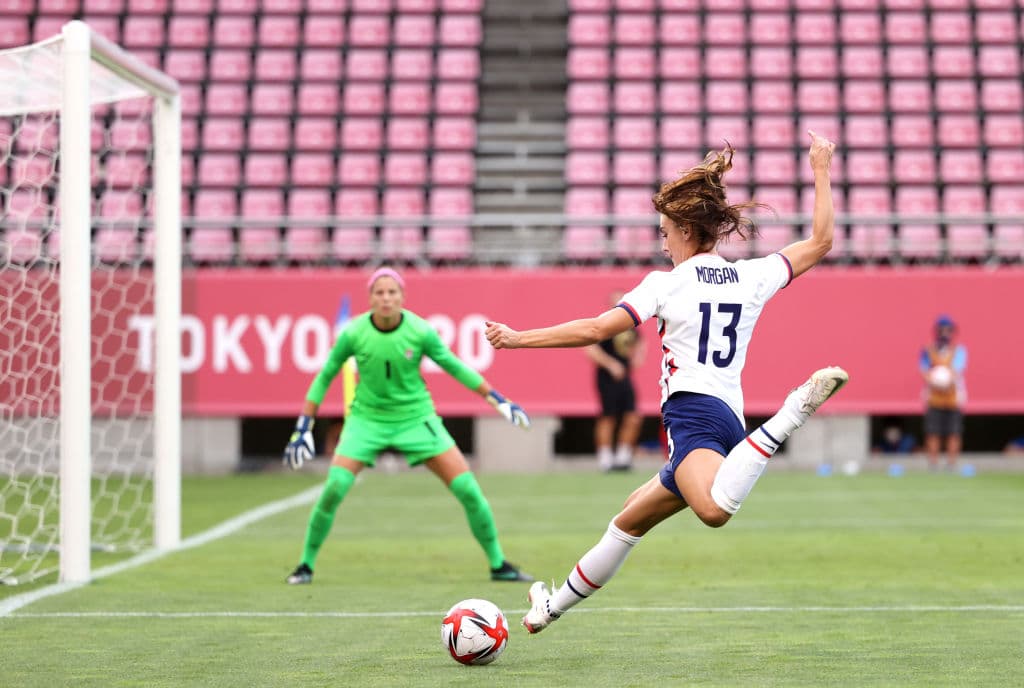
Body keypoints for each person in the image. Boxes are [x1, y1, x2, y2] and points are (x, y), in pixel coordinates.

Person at [484, 132, 849, 635]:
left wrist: (518, 338)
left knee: (714, 510)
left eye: (664, 231)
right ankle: (547, 609)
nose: (662, 242)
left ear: (685, 230)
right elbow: (822, 242)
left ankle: (793, 412)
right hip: (727, 418)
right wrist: (821, 169)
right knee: (629, 518)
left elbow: (597, 329)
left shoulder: (666, 283)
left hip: (693, 416)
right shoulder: (751, 276)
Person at [283, 267, 534, 585]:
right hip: (366, 421)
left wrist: (497, 399)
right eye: (379, 292)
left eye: (392, 292)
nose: (386, 298)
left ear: (402, 297)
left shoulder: (420, 330)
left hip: (417, 419)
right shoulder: (353, 332)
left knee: (468, 490)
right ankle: (305, 565)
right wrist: (303, 426)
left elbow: (453, 366)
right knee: (333, 489)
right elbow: (325, 376)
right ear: (370, 298)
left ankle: (499, 564)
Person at [586, 290, 645, 471]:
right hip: (606, 377)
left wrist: (638, 357)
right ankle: (605, 458)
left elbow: (640, 342)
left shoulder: (630, 324)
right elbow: (590, 348)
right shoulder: (605, 323)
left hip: (625, 376)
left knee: (632, 416)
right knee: (608, 416)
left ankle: (623, 457)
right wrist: (610, 364)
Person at [919, 315, 967, 471]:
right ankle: (933, 464)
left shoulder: (958, 350)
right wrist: (934, 381)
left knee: (954, 431)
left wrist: (946, 380)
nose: (945, 333)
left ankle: (951, 464)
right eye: (942, 330)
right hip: (934, 397)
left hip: (953, 397)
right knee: (932, 431)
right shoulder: (928, 350)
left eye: (948, 330)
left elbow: (957, 370)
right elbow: (924, 370)